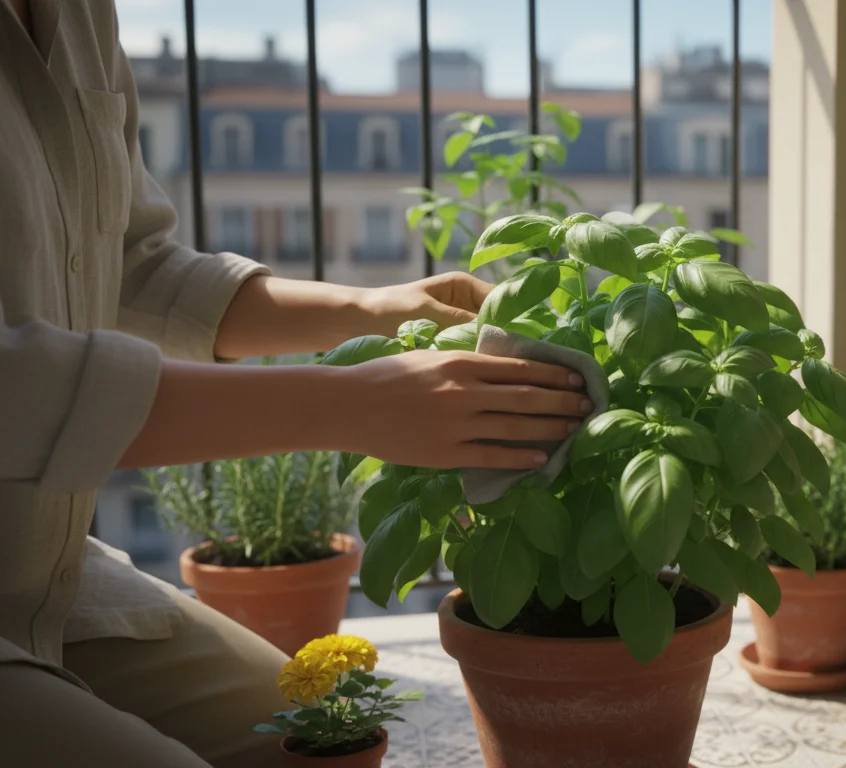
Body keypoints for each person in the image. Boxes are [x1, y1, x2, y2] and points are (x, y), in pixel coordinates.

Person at [0, 1, 589, 765]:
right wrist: (356, 404)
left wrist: (369, 311)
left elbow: (133, 266)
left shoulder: (80, 15)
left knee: (327, 739)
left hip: (51, 574)